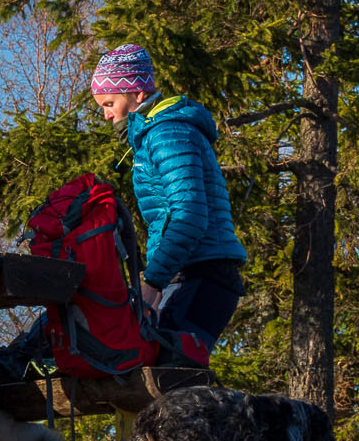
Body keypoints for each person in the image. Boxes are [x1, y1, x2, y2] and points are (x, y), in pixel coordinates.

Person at [91, 43, 248, 360]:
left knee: (172, 384)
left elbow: (188, 215)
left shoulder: (167, 133)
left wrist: (152, 283)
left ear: (136, 95)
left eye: (110, 102)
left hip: (202, 274)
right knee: (160, 381)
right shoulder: (153, 135)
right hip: (187, 272)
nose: (106, 114)